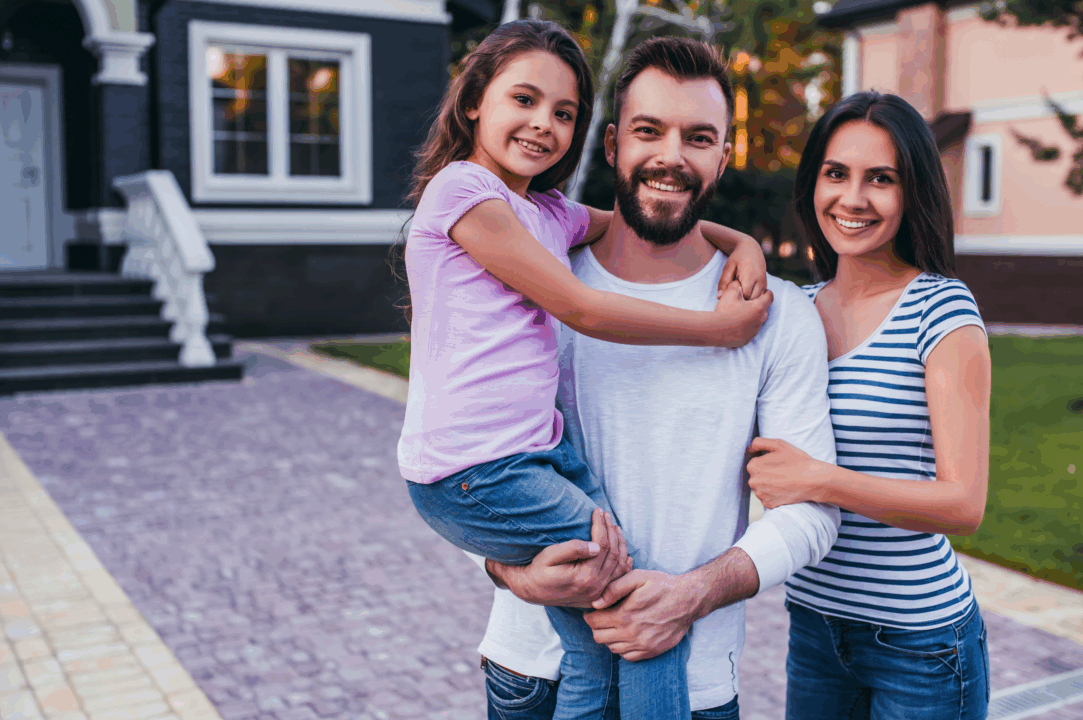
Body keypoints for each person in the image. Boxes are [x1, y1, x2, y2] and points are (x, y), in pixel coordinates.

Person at [398, 19, 776, 720]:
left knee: (603, 629)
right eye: (525, 99)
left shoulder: (544, 212)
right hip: (479, 469)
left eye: (564, 112)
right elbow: (581, 308)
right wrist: (716, 331)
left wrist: (743, 242)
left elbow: (636, 220)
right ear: (475, 99)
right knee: (638, 610)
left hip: (533, 459)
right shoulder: (461, 192)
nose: (543, 124)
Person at [473, 36, 842, 720]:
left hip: (693, 678)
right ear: (612, 144)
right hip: (535, 672)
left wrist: (693, 592)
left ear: (723, 157)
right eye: (649, 131)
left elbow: (812, 515)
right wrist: (509, 572)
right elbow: (471, 463)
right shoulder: (534, 288)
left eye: (698, 137)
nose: (671, 156)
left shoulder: (778, 314)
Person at [745, 91, 992, 720]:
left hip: (918, 644)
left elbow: (963, 504)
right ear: (813, 184)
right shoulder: (793, 310)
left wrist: (819, 481)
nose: (852, 199)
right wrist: (739, 245)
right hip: (814, 626)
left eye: (880, 179)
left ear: (912, 194)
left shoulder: (941, 310)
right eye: (836, 173)